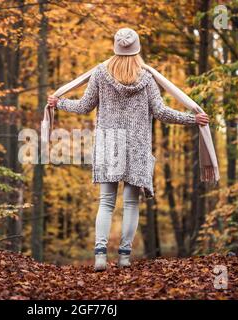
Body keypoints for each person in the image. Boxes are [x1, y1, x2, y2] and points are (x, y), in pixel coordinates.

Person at [47, 28, 209, 271]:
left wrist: (60, 103)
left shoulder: (100, 73)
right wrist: (192, 119)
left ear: (115, 48)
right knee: (132, 203)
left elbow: (83, 106)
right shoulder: (147, 78)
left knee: (106, 202)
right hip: (137, 144)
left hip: (108, 142)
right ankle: (124, 257)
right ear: (138, 49)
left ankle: (100, 256)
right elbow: (162, 112)